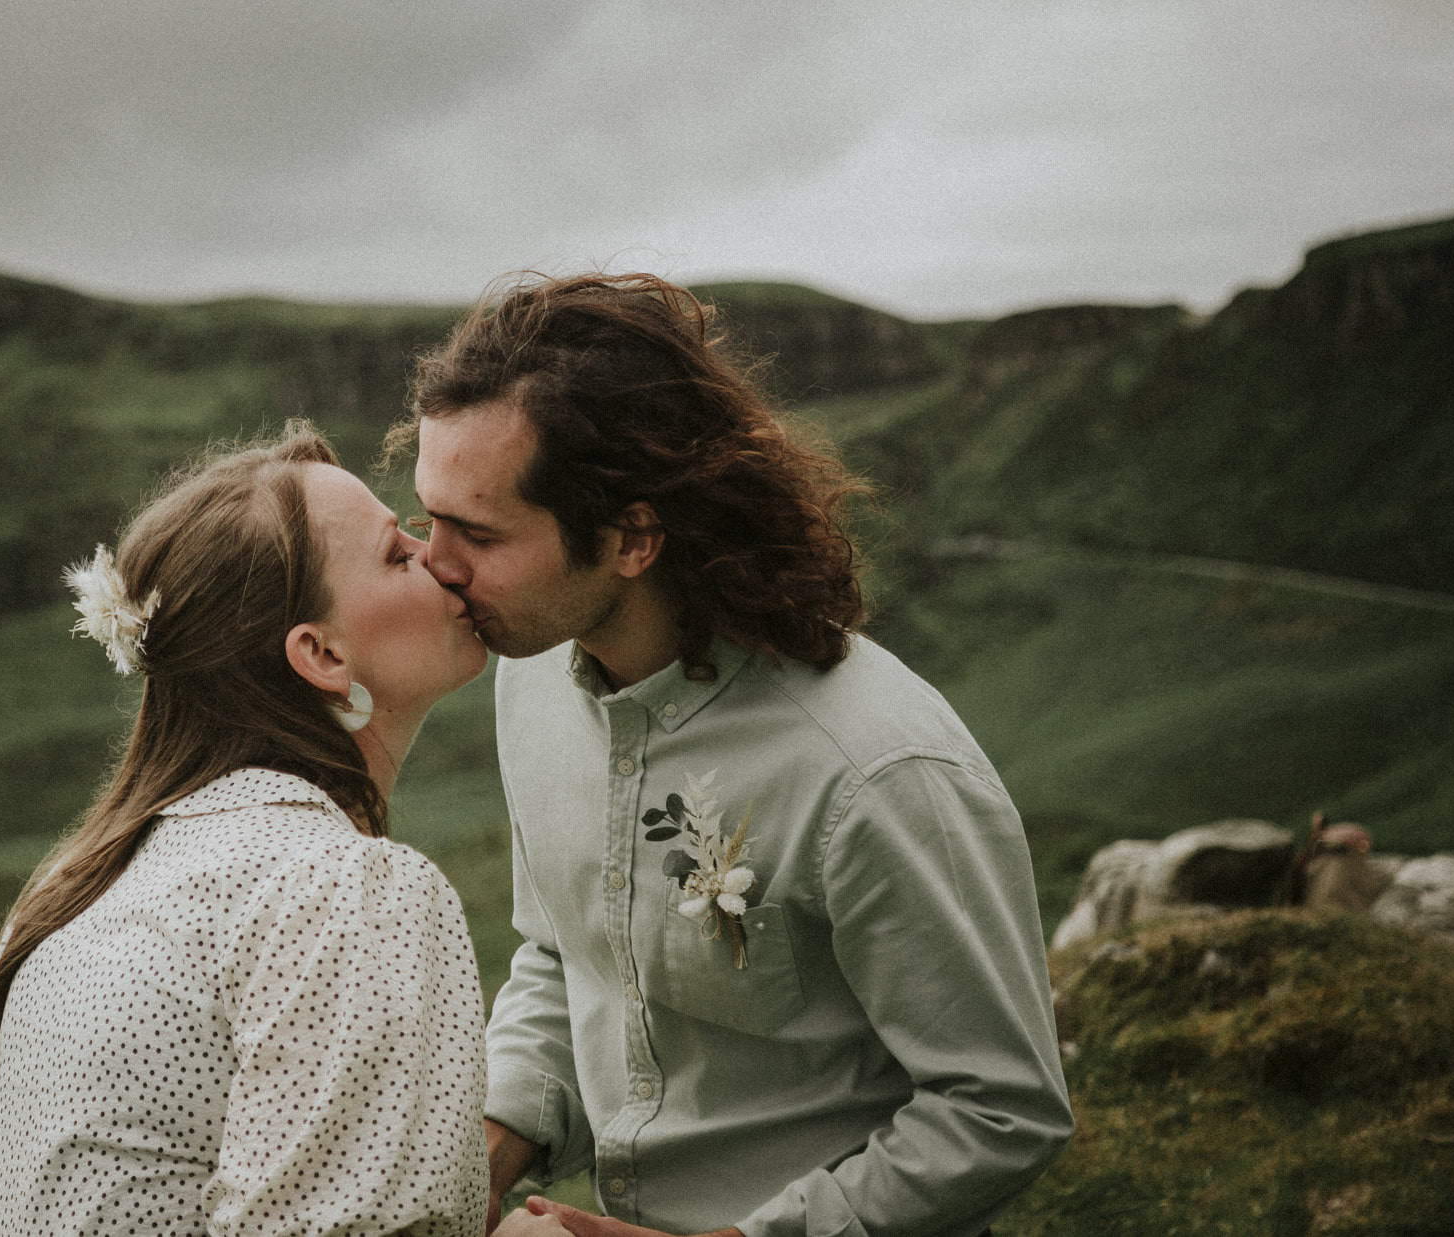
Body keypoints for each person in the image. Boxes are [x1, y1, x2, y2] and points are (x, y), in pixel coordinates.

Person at [392, 274, 1073, 1236]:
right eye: (428, 517)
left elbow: (1002, 1111)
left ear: (633, 536)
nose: (434, 563)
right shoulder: (531, 675)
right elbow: (565, 953)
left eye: (477, 532)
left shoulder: (877, 771)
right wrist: (487, 1151)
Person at [0, 422, 565, 1237]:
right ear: (321, 654)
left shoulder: (70, 891)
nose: (436, 557)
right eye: (396, 554)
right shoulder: (349, 892)